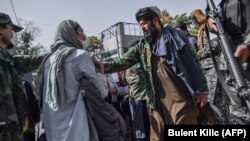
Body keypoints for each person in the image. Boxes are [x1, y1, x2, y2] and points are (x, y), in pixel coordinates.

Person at [94, 6, 208, 141]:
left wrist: (202, 89)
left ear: (155, 20)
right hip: (155, 101)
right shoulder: (143, 46)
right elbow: (122, 62)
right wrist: (101, 67)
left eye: (144, 23)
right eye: (140, 25)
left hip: (179, 98)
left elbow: (194, 62)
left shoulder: (175, 37)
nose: (142, 27)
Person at [35, 20, 108, 141]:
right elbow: (102, 92)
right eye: (82, 32)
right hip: (78, 129)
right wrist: (100, 72)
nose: (85, 37)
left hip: (53, 132)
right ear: (72, 33)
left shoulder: (47, 61)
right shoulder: (80, 56)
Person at [206, 0, 250, 124]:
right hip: (234, 67)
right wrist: (209, 20)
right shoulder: (225, 3)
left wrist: (247, 45)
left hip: (243, 58)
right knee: (239, 113)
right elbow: (215, 17)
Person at [0, 13, 41, 141]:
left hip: (12, 131)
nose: (13, 34)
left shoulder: (7, 59)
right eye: (11, 29)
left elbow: (31, 61)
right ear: (1, 29)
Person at [189, 9, 221, 124]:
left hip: (214, 67)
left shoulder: (208, 26)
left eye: (193, 21)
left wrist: (200, 53)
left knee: (214, 100)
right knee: (210, 100)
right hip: (206, 68)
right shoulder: (201, 30)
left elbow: (217, 43)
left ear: (196, 18)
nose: (193, 24)